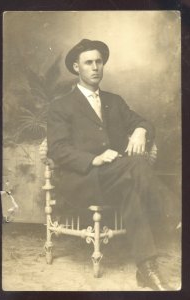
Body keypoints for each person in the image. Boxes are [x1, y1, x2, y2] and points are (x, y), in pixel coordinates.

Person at [47, 39, 175, 290]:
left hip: (117, 178)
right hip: (82, 181)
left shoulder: (114, 101)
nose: (95, 67)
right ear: (76, 68)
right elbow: (57, 149)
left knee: (130, 185)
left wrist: (139, 130)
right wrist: (93, 158)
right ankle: (176, 213)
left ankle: (146, 269)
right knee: (135, 165)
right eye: (88, 62)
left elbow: (146, 123)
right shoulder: (60, 106)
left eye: (99, 62)